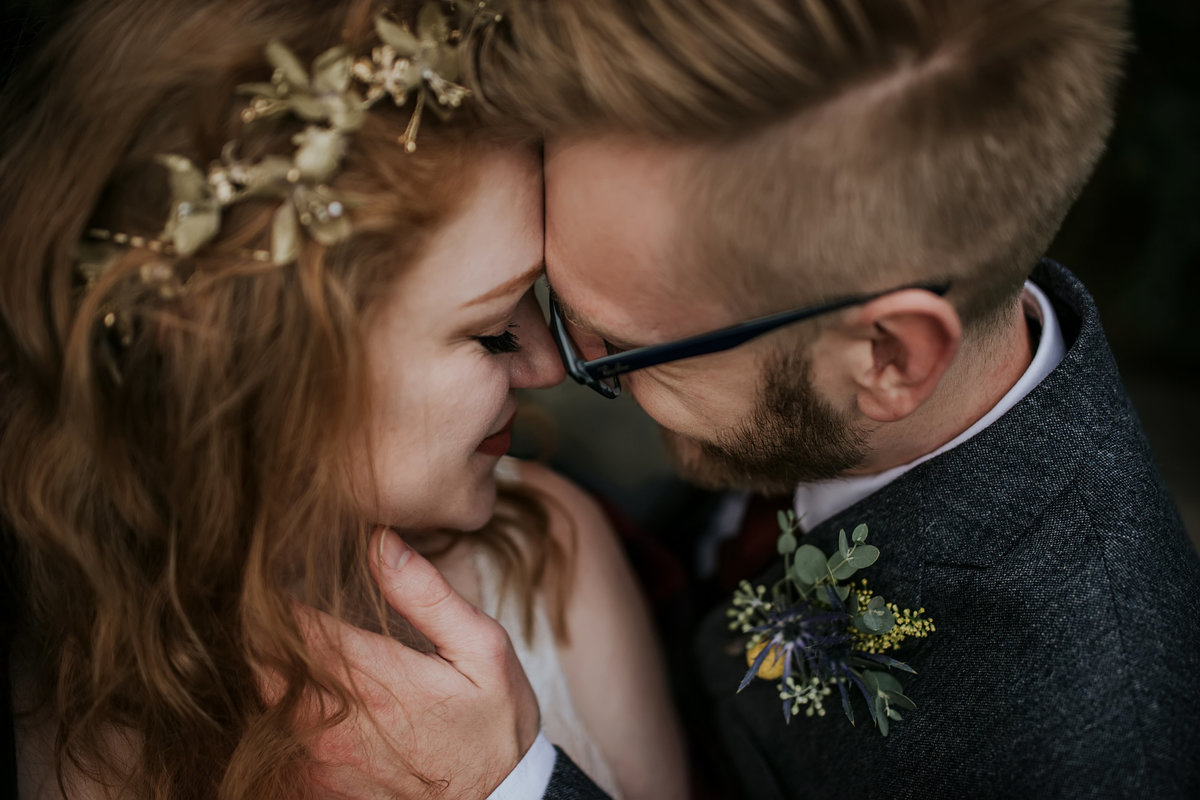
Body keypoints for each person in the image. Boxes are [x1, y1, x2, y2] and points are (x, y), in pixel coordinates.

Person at [310, 0, 1200, 797]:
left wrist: (514, 785)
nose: (560, 368)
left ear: (887, 356)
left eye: (618, 347)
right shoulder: (808, 357)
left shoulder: (1088, 750)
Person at [0, 0, 686, 797]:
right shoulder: (46, 683)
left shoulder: (549, 557)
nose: (546, 368)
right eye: (492, 331)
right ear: (264, 372)